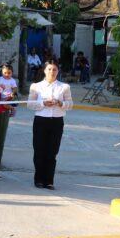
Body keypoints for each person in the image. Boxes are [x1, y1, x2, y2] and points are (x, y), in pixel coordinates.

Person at [28, 60, 73, 190]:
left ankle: (49, 180)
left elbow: (70, 104)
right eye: (49, 69)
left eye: (54, 69)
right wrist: (43, 104)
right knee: (39, 150)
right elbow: (30, 104)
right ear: (44, 70)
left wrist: (61, 103)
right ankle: (39, 179)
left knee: (52, 151)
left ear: (58, 71)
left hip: (57, 121)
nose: (52, 72)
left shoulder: (64, 87)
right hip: (41, 120)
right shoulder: (36, 86)